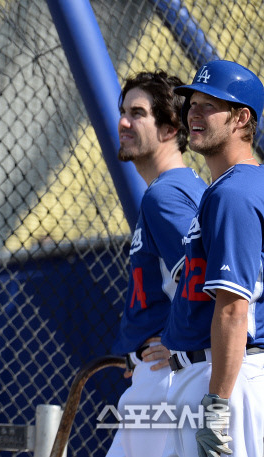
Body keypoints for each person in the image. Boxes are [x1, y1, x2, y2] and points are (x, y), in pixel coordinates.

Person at [161, 60, 264, 457]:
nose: (194, 113)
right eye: (193, 103)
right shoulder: (237, 187)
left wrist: (217, 406)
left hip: (224, 379)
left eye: (211, 104)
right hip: (230, 374)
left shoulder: (233, 193)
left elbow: (234, 308)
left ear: (241, 118)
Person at [105, 71, 207, 457]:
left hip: (168, 378)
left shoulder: (165, 196)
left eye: (138, 113)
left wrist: (176, 343)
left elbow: (205, 280)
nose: (123, 122)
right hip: (166, 375)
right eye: (122, 111)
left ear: (169, 127)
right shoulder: (180, 189)